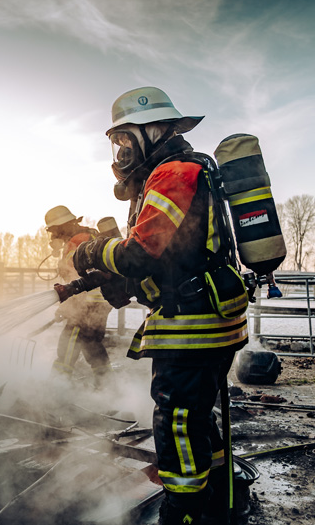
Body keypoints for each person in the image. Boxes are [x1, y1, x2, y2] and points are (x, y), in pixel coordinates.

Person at [72, 87, 249, 525]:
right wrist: (127, 287)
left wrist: (93, 253)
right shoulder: (181, 171)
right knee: (198, 415)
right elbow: (175, 257)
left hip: (192, 325)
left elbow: (140, 252)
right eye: (117, 143)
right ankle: (225, 495)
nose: (121, 151)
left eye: (126, 139)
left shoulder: (173, 173)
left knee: (177, 424)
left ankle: (184, 511)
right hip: (204, 316)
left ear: (154, 129)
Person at [44, 205, 114, 388]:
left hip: (87, 303)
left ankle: (57, 387)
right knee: (91, 344)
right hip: (98, 302)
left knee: (68, 344)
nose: (53, 236)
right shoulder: (87, 236)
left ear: (62, 226)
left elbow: (78, 279)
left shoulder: (79, 241)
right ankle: (106, 386)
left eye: (54, 231)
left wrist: (68, 307)